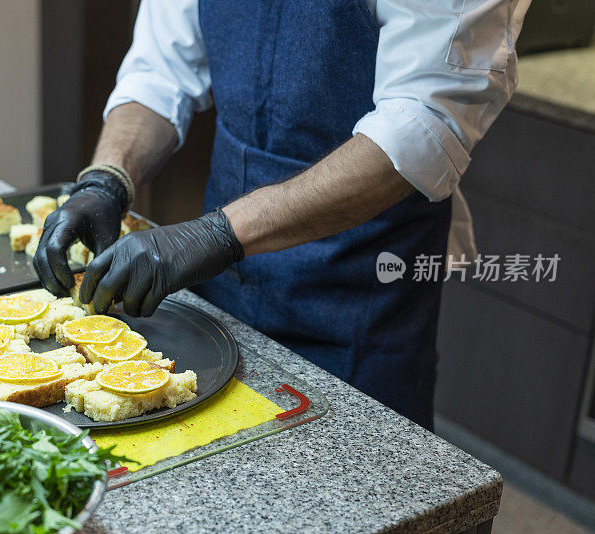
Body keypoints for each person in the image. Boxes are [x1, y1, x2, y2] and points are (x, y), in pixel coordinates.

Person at [34, 0, 530, 429]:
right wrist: (107, 177)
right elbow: (161, 70)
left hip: (359, 293)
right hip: (223, 279)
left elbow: (422, 125)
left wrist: (217, 233)